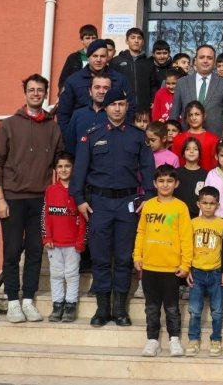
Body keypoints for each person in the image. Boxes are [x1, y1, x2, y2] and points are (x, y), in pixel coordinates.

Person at [71, 87, 154, 328]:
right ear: (105, 107)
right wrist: (80, 199)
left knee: (123, 257)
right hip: (100, 204)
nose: (117, 108)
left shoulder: (138, 137)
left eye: (121, 104)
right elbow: (80, 171)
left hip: (128, 203)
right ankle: (102, 308)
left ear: (127, 107)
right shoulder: (92, 135)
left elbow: (148, 168)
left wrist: (148, 196)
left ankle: (120, 309)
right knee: (100, 257)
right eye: (112, 104)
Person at [0, 74, 64, 323]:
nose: (35, 94)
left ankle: (29, 300)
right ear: (25, 93)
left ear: (45, 94)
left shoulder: (52, 127)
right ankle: (12, 301)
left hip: (40, 198)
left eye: (40, 90)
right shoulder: (8, 125)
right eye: (31, 90)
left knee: (34, 250)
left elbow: (59, 162)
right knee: (11, 252)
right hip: (12, 197)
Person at [134, 164, 193, 357]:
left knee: (172, 307)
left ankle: (174, 340)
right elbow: (141, 232)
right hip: (150, 266)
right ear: (154, 183)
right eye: (161, 181)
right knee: (151, 307)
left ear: (176, 183)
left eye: (169, 181)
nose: (165, 185)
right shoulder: (149, 205)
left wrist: (185, 264)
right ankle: (152, 340)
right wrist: (137, 256)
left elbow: (186, 237)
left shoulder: (180, 207)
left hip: (171, 268)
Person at [58, 39, 133, 137]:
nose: (98, 60)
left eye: (102, 56)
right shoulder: (73, 81)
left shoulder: (120, 79)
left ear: (107, 58)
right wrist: (68, 137)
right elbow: (63, 114)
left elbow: (131, 108)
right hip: (81, 136)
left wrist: (122, 133)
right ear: (88, 57)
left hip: (113, 136)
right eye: (95, 56)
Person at [42, 152, 85, 323]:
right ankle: (57, 304)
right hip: (55, 243)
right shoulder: (50, 190)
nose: (63, 169)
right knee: (56, 274)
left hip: (73, 243)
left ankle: (70, 305)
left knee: (72, 274)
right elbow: (45, 215)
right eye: (60, 166)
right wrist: (47, 236)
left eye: (67, 166)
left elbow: (83, 218)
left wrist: (81, 240)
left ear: (73, 168)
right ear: (55, 170)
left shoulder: (78, 190)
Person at [186, 185, 223, 358]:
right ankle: (193, 339)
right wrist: (187, 269)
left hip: (216, 272)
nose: (208, 206)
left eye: (212, 203)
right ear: (198, 204)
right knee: (195, 309)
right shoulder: (192, 223)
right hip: (197, 272)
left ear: (218, 205)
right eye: (205, 203)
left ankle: (215, 338)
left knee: (217, 310)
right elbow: (186, 247)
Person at [170, 45, 223, 136]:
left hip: (214, 140)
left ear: (214, 62)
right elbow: (174, 115)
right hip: (186, 140)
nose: (205, 61)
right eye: (201, 57)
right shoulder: (182, 83)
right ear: (195, 60)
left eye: (209, 58)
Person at [112, 27, 158, 111]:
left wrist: (153, 100)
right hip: (122, 106)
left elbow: (153, 85)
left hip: (144, 107)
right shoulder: (116, 61)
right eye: (133, 38)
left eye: (139, 38)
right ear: (126, 41)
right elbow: (112, 83)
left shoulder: (149, 63)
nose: (136, 41)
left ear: (143, 42)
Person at [64, 73, 111, 154]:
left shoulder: (116, 116)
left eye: (106, 88)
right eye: (97, 87)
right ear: (90, 91)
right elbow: (69, 146)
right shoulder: (78, 115)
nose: (101, 91)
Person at [172, 101, 219, 172]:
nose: (193, 118)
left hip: (207, 180)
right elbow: (175, 164)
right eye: (190, 115)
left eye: (197, 114)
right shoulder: (178, 139)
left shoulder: (213, 139)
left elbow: (215, 165)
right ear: (186, 118)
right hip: (181, 179)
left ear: (204, 116)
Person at [57, 24, 98, 94]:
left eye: (93, 38)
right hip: (76, 93)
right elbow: (63, 79)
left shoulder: (102, 57)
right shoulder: (73, 58)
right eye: (87, 38)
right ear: (82, 40)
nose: (91, 41)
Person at [175, 137, 207, 219]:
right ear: (183, 154)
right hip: (176, 216)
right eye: (188, 149)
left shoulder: (207, 175)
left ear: (200, 153)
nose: (191, 151)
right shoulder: (175, 173)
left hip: (198, 218)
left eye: (195, 149)